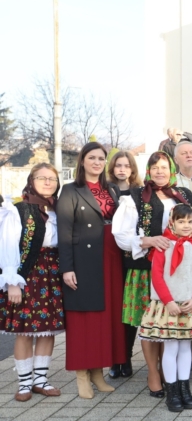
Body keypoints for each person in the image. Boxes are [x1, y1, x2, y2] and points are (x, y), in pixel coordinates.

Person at [113, 152, 192, 398]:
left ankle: (166, 370)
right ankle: (152, 373)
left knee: (168, 323)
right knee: (149, 324)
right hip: (144, 270)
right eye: (155, 167)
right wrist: (148, 240)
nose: (160, 172)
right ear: (148, 170)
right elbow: (121, 235)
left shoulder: (183, 195)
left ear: (172, 170)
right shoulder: (135, 196)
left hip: (175, 270)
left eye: (164, 167)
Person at [57, 142, 126, 399]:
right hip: (84, 261)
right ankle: (82, 375)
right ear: (82, 161)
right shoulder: (70, 190)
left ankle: (98, 372)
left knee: (105, 318)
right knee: (83, 319)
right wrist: (67, 269)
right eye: (92, 157)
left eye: (101, 158)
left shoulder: (113, 189)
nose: (97, 162)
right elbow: (64, 233)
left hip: (111, 258)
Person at [0, 164, 65, 401]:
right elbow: (7, 245)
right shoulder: (18, 210)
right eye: (42, 178)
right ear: (31, 180)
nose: (48, 183)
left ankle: (41, 379)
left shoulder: (59, 210)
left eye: (53, 179)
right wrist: (12, 281)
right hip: (27, 273)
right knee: (25, 331)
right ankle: (25, 382)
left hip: (53, 272)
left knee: (47, 331)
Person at [139, 204, 192, 412]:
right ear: (172, 222)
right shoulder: (163, 246)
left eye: (190, 222)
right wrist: (168, 301)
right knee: (170, 347)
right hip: (168, 305)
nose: (186, 226)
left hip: (188, 304)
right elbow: (157, 276)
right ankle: (172, 391)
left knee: (185, 347)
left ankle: (184, 388)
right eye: (181, 221)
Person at [106, 151, 144, 378]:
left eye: (126, 165)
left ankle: (126, 356)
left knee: (128, 309)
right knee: (113, 308)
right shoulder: (106, 190)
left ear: (132, 169)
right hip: (110, 252)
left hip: (133, 255)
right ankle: (113, 359)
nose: (122, 169)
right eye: (118, 165)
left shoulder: (140, 192)